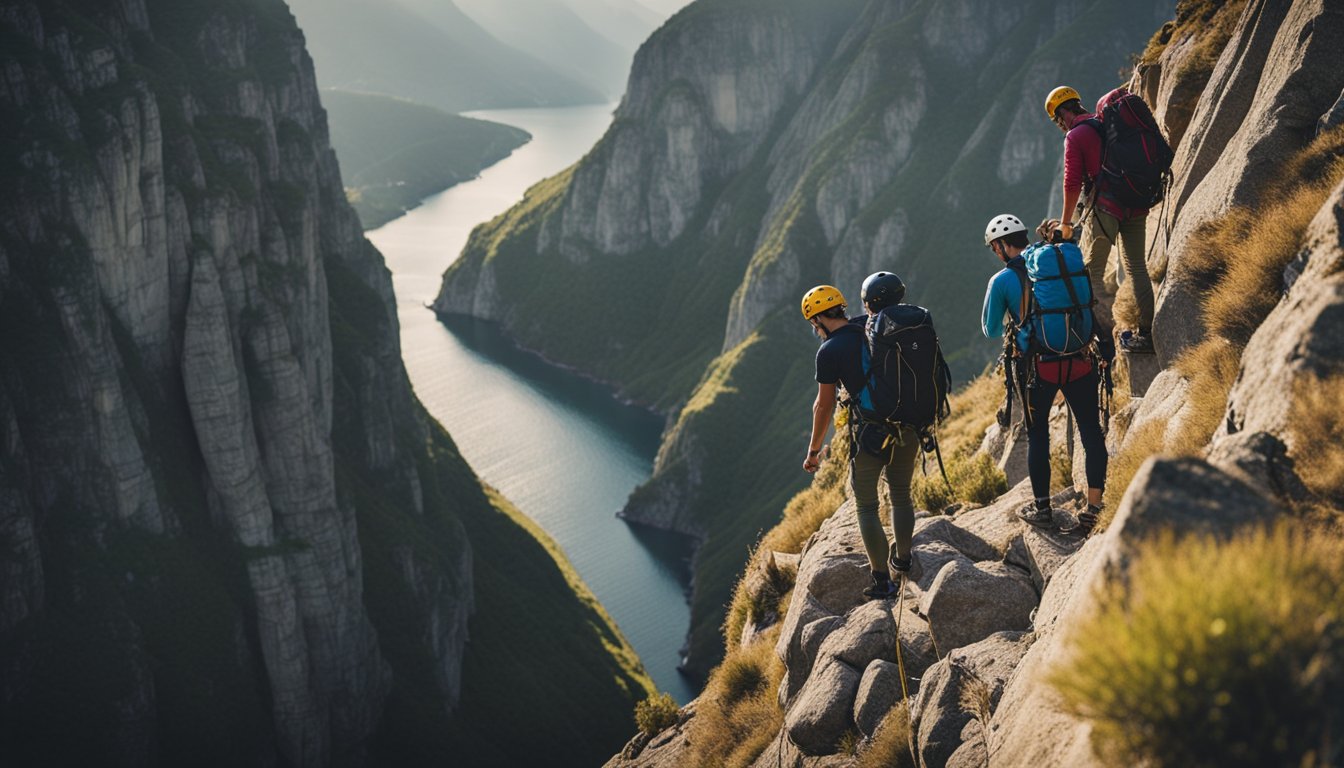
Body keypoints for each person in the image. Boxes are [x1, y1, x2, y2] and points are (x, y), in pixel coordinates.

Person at [981, 214, 1107, 535]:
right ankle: (1094, 508)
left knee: (1038, 436)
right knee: (1091, 431)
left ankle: (1043, 509)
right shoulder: (1058, 259)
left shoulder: (1003, 280)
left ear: (1000, 246)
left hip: (1040, 369)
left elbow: (991, 328)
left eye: (995, 247)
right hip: (1080, 357)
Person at [801, 275, 920, 599]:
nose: (814, 329)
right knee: (900, 494)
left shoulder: (829, 351)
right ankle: (904, 560)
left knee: (867, 506)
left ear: (818, 319)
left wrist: (814, 451)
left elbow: (823, 405)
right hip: (909, 424)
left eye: (814, 323)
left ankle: (882, 581)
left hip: (871, 434)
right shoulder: (872, 326)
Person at [1044, 85, 1155, 353]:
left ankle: (1094, 339)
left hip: (1105, 208)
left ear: (1061, 114)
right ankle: (1147, 335)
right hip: (1135, 202)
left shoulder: (1075, 135)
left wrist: (1066, 223)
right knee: (1138, 269)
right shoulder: (1106, 122)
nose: (1059, 124)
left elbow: (1071, 184)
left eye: (1057, 119)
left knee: (1089, 278)